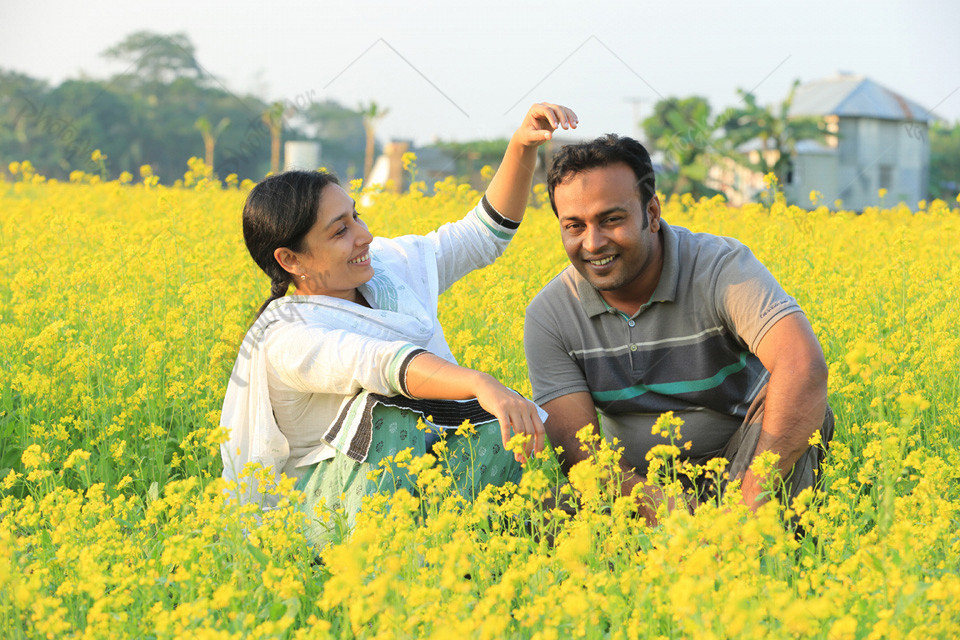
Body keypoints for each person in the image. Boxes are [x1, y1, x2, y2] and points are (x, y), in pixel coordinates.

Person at [220, 103, 577, 544]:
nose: (364, 235)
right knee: (389, 411)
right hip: (326, 521)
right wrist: (480, 382)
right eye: (339, 231)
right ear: (291, 260)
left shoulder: (389, 267)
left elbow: (480, 236)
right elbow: (379, 362)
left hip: (420, 494)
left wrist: (521, 147)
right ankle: (386, 564)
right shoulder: (287, 335)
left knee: (487, 420)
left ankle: (463, 545)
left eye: (356, 216)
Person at [523, 134, 833, 524]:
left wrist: (743, 511)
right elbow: (581, 456)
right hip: (638, 489)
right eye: (574, 226)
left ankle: (763, 556)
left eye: (611, 220)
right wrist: (668, 514)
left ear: (652, 214)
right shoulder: (550, 315)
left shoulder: (721, 268)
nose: (593, 243)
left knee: (801, 403)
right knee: (532, 514)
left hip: (744, 469)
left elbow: (802, 365)